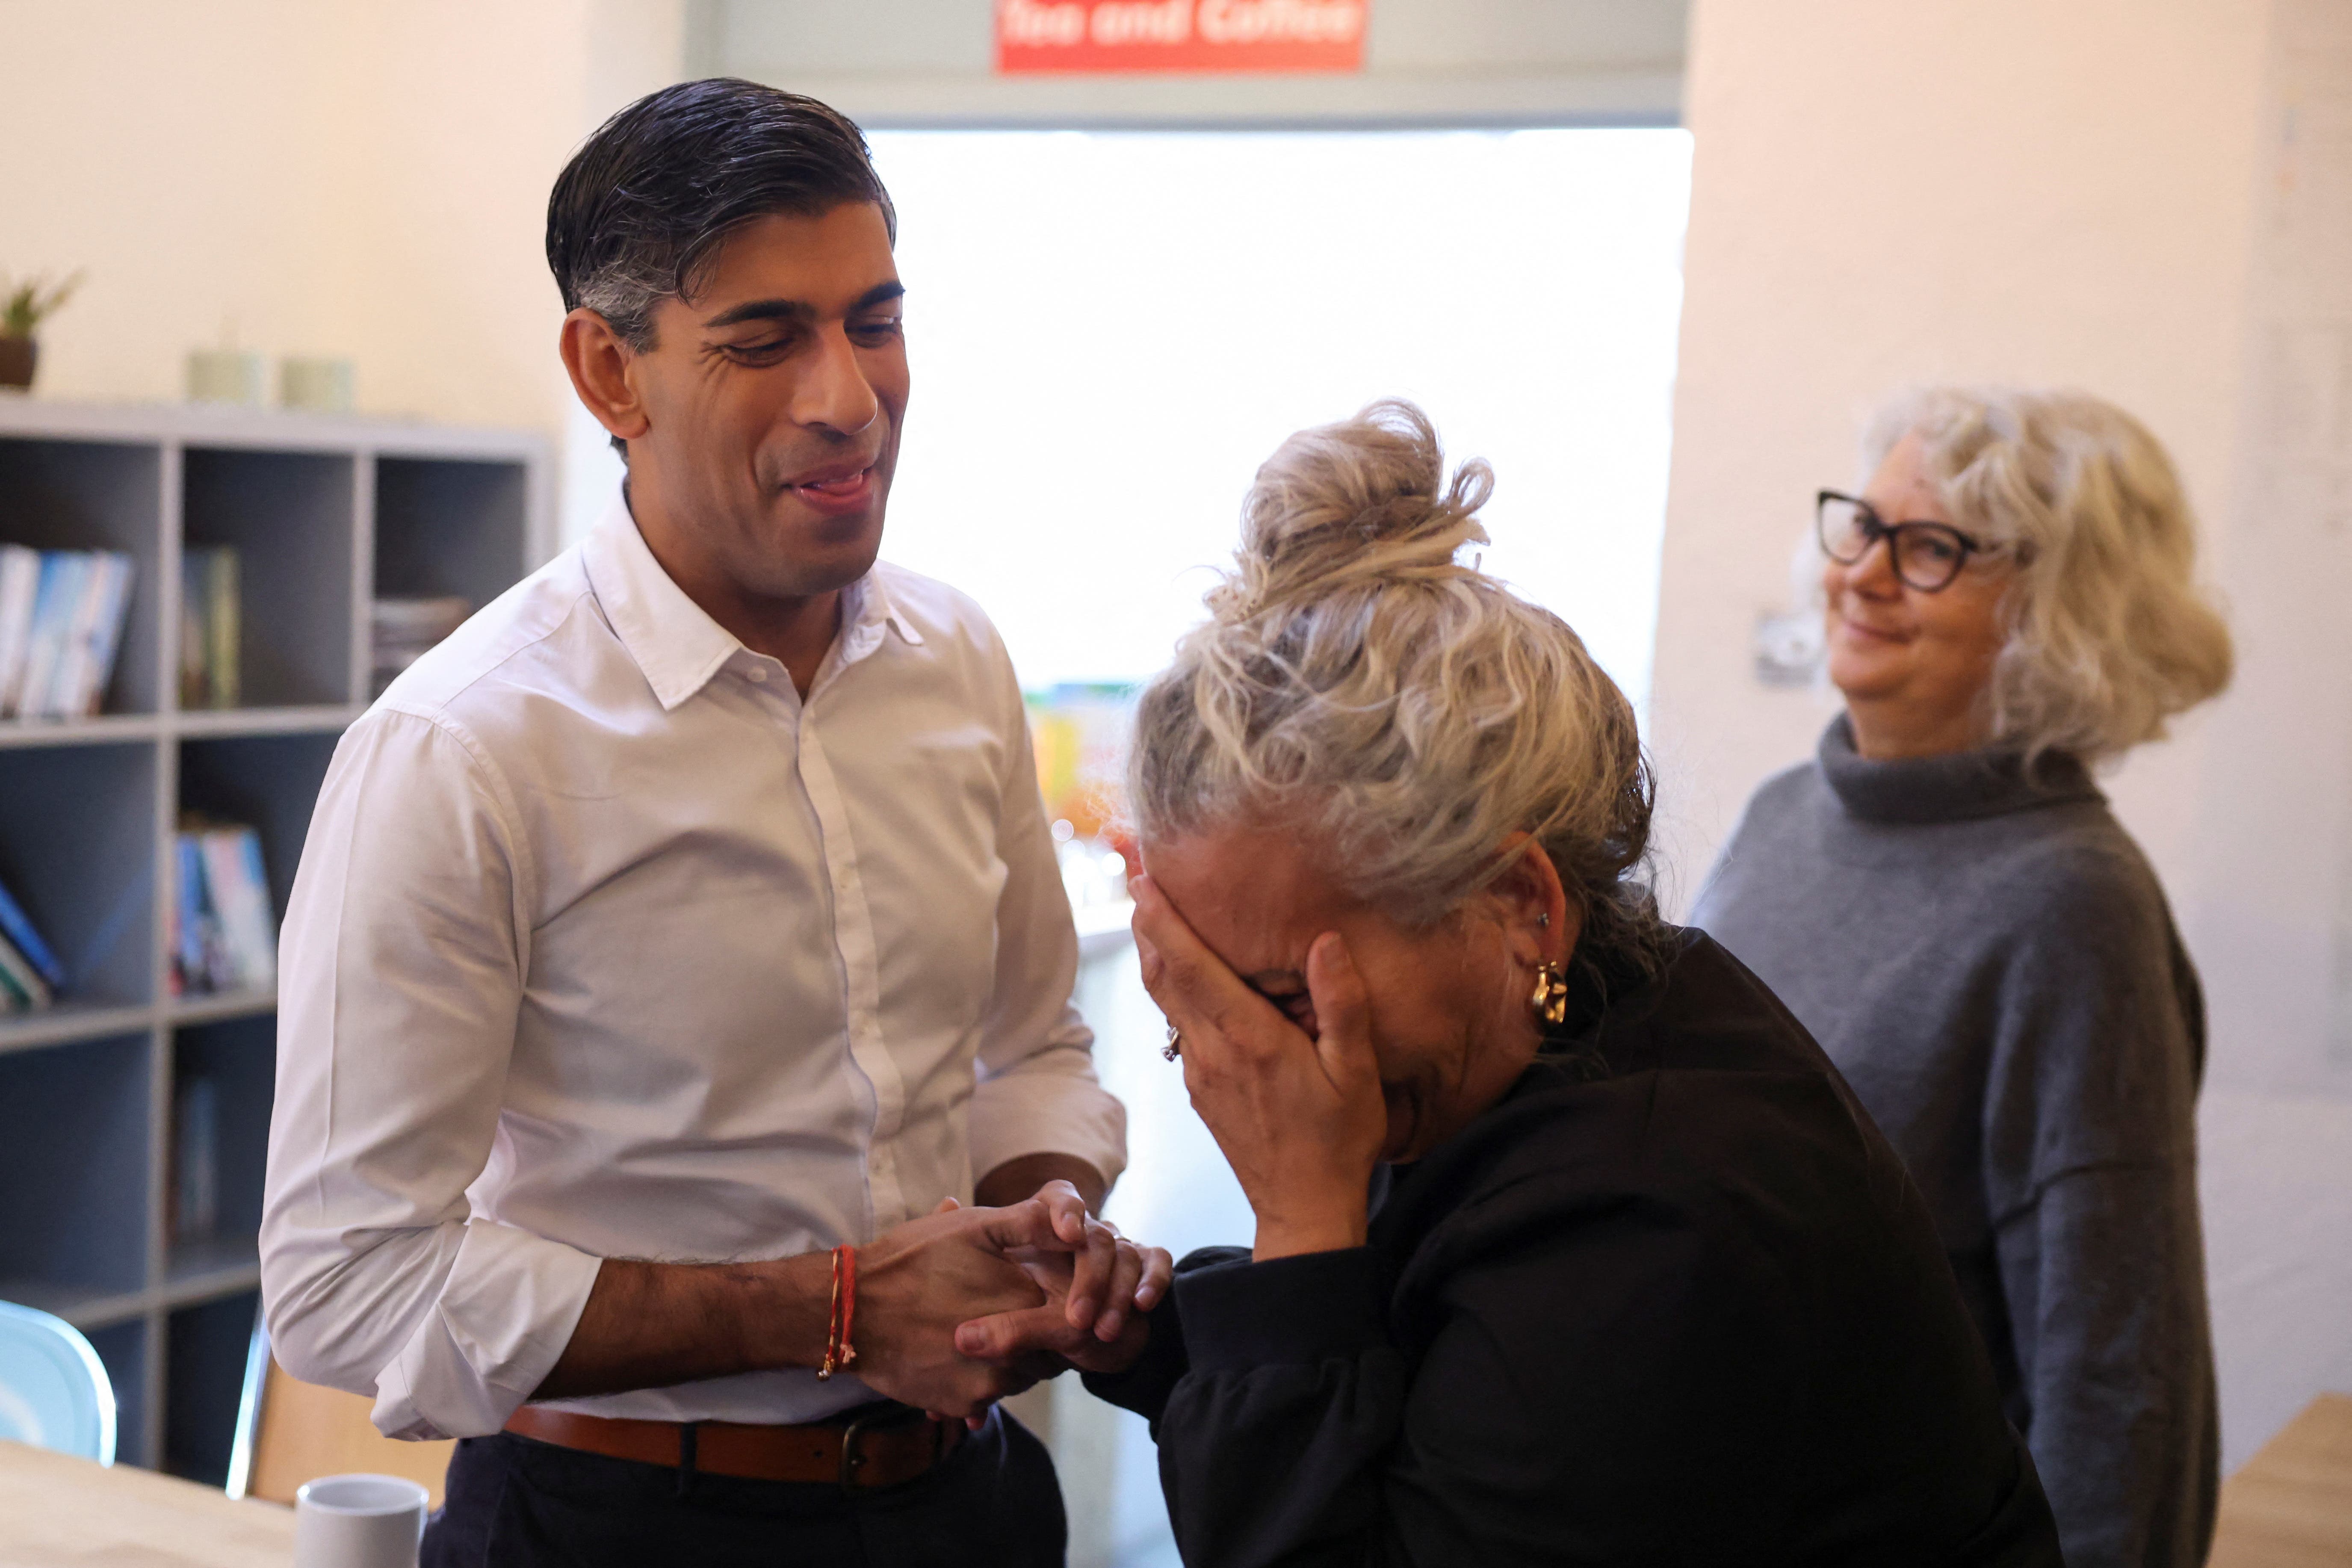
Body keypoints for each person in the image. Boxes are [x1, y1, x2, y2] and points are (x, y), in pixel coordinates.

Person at [260, 79, 1167, 1567]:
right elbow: (346, 1281)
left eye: (874, 319)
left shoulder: (956, 661)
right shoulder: (462, 749)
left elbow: (1030, 1051)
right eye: (764, 339)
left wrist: (1038, 1228)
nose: (847, 397)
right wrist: (832, 1311)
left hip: (969, 1505)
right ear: (609, 373)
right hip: (618, 1524)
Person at [957, 399, 2065, 1566]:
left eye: (1281, 1001)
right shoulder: (1573, 1029)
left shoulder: (1660, 1215)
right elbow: (1428, 1343)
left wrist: (1300, 1222)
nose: (1240, 1062)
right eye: (1200, 1003)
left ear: (1520, 903)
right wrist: (1153, 1332)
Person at [1693, 387, 2232, 1568]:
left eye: (1931, 546)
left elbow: (2112, 1367)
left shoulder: (2072, 904)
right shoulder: (1778, 819)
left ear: (2061, 609)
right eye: (1861, 526)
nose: (1862, 574)